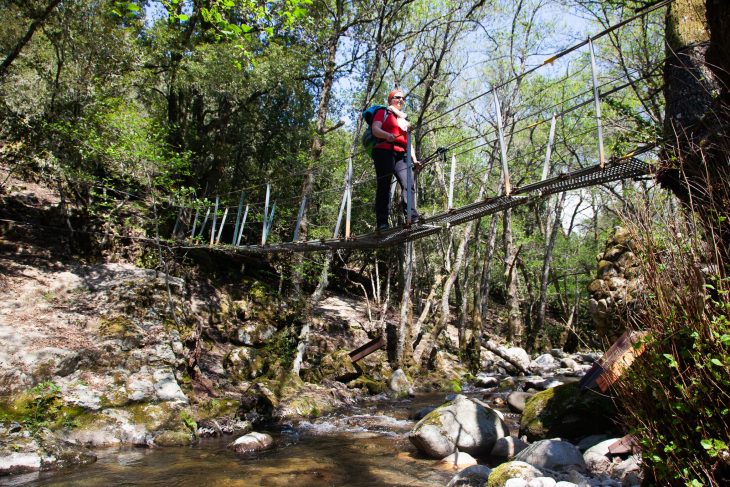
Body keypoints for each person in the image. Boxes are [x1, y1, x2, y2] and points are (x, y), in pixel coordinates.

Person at [370, 89, 421, 231]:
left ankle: (412, 217)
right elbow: (375, 129)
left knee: (408, 184)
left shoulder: (404, 121)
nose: (401, 100)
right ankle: (382, 223)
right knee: (384, 186)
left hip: (402, 155)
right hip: (384, 151)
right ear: (390, 100)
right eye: (397, 97)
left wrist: (414, 159)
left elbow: (408, 141)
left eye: (403, 98)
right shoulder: (383, 113)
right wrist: (387, 135)